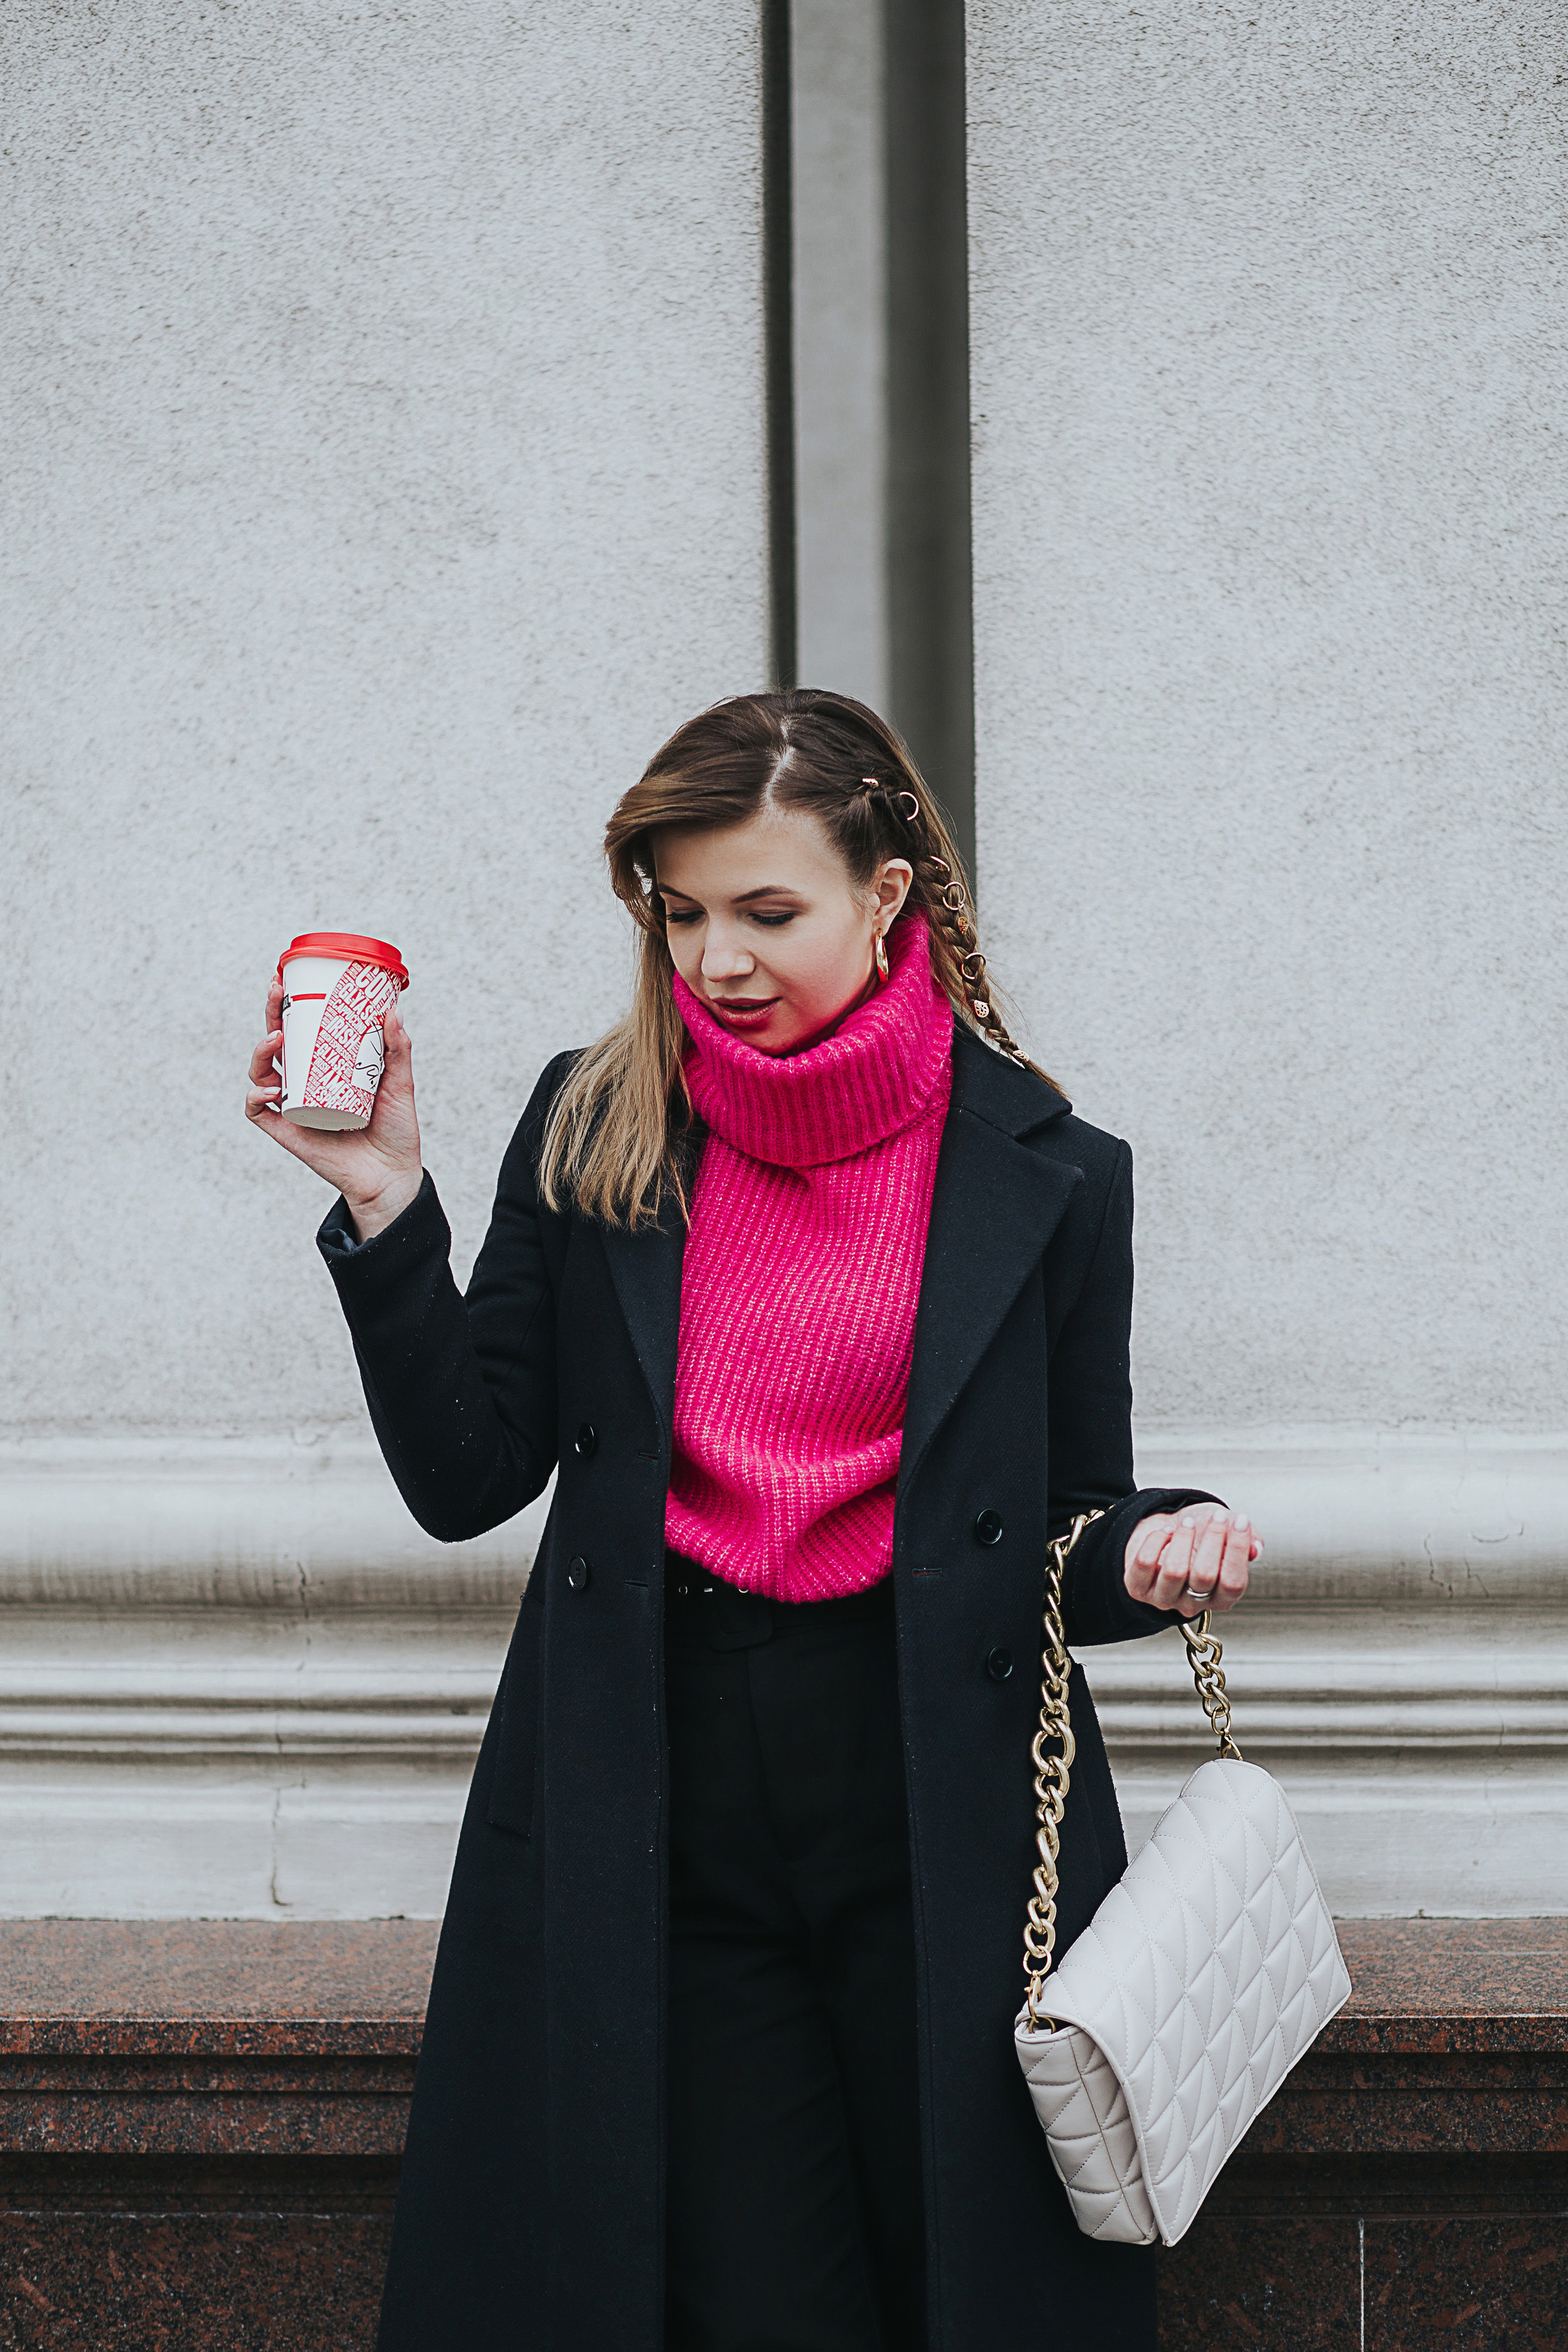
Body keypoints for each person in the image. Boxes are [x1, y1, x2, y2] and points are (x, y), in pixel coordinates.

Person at [246, 689, 1260, 2352]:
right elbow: (466, 1474)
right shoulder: (598, 1118)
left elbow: (1067, 1517)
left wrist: (1167, 1541)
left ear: (887, 893)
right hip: (670, 1791)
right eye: (684, 911)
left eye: (767, 911)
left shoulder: (1056, 1171)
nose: (717, 960)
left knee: (972, 2278)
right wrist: (383, 1205)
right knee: (753, 2302)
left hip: (941, 1798)